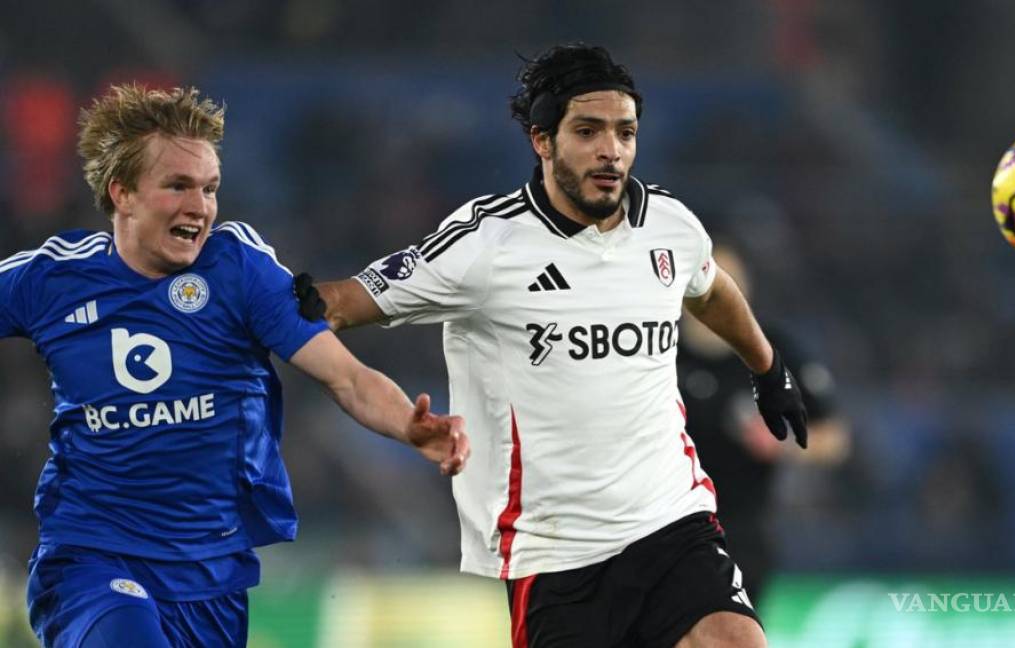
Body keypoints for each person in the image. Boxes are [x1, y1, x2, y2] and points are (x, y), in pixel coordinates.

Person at [295, 43, 806, 648]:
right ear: (542, 140)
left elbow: (709, 289)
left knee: (736, 641)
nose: (610, 150)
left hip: (671, 521)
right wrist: (249, 293)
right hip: (554, 551)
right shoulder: (485, 244)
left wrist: (769, 370)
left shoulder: (669, 224)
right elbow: (340, 303)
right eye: (587, 131)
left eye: (624, 132)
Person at [0, 84, 469, 647]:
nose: (199, 207)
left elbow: (346, 376)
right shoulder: (52, 279)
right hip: (90, 558)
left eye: (209, 188)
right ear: (121, 192)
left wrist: (409, 425)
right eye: (177, 186)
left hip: (211, 574)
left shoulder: (239, 270)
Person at [678, 243, 850, 606]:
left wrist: (782, 445)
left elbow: (834, 438)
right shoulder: (655, 347)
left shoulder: (772, 351)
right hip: (659, 530)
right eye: (705, 281)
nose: (717, 295)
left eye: (728, 284)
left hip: (741, 535)